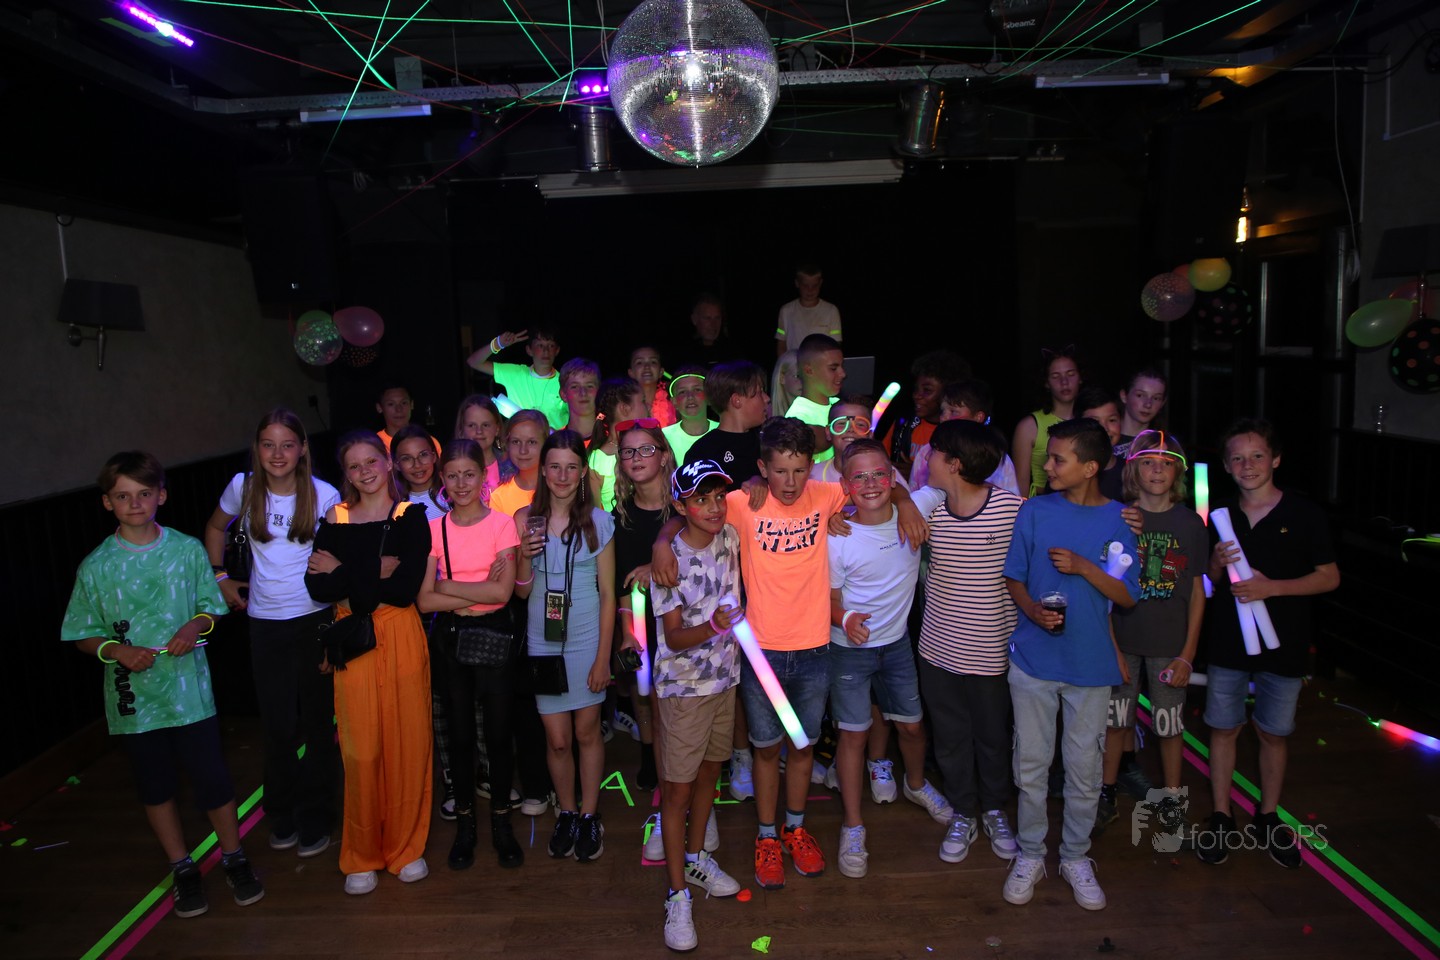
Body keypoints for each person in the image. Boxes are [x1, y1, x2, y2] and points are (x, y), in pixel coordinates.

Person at [654, 417, 925, 891]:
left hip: (815, 648)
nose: (791, 482)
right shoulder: (744, 502)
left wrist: (904, 502)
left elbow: (879, 485)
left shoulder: (826, 495)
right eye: (779, 471)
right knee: (765, 749)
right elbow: (692, 510)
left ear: (812, 467)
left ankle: (794, 829)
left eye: (800, 470)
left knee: (802, 747)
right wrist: (661, 542)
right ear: (762, 468)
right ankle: (765, 836)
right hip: (762, 653)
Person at [63, 451, 263, 920]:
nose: (134, 504)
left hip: (189, 693)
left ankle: (234, 856)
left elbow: (211, 609)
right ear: (107, 502)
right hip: (135, 703)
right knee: (156, 786)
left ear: (161, 496)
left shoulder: (187, 550)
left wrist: (194, 626)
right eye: (122, 496)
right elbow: (81, 633)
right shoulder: (96, 566)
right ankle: (182, 867)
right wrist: (116, 651)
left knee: (212, 778)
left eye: (144, 494)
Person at [1000, 418, 1139, 912]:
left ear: (1091, 468)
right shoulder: (1035, 510)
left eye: (1059, 459)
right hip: (1034, 661)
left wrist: (1084, 567)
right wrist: (1032, 610)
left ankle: (1076, 856)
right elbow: (1014, 577)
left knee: (1084, 769)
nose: (1048, 466)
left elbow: (1127, 595)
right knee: (1031, 764)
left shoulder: (1121, 519)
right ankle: (1031, 853)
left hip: (1090, 665)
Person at [1195, 418, 1339, 869]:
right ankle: (1222, 815)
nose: (1248, 465)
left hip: (1285, 643)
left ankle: (1268, 815)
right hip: (1227, 642)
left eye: (1257, 455)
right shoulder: (1221, 514)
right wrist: (1215, 563)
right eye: (1237, 458)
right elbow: (1208, 584)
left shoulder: (1304, 514)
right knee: (1223, 727)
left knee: (1273, 732)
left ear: (1275, 460)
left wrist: (1271, 588)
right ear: (1225, 466)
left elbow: (1329, 577)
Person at [203, 408, 341, 861]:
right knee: (278, 726)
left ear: (302, 449)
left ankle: (316, 814)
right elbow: (215, 527)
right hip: (265, 623)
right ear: (257, 449)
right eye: (268, 444)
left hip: (314, 619)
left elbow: (342, 557)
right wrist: (220, 576)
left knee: (318, 724)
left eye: (287, 444)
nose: (277, 454)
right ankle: (281, 812)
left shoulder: (323, 494)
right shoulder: (243, 487)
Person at [304, 432, 433, 896]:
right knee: (361, 750)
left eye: (372, 461)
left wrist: (344, 573)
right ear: (346, 474)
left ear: (387, 463)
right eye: (354, 466)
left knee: (407, 742)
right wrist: (374, 569)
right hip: (353, 640)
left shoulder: (410, 516)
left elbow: (403, 590)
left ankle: (405, 848)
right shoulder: (334, 518)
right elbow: (317, 587)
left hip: (400, 634)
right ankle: (361, 854)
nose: (365, 472)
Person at [826, 440, 953, 880]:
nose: (870, 483)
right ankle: (852, 825)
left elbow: (951, 484)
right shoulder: (838, 536)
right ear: (845, 486)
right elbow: (829, 599)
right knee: (853, 736)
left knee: (912, 726)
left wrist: (908, 502)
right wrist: (845, 618)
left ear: (893, 477)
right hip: (848, 649)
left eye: (879, 474)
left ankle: (915, 784)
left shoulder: (914, 509)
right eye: (858, 477)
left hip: (897, 645)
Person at [644, 460, 745, 952]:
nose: (714, 506)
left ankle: (695, 859)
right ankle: (676, 893)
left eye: (718, 496)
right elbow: (674, 637)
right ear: (681, 505)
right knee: (677, 792)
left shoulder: (730, 537)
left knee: (710, 774)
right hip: (684, 692)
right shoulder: (670, 563)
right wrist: (715, 626)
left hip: (725, 681)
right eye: (701, 499)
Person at [912, 420, 1023, 865]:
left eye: (934, 452)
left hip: (993, 653)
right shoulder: (929, 510)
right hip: (937, 652)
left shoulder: (1012, 509)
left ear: (954, 464)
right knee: (951, 738)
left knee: (993, 737)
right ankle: (963, 812)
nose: (926, 458)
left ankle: (994, 809)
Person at [417, 439, 524, 870]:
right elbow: (424, 600)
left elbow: (502, 594)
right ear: (442, 479)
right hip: (451, 641)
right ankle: (465, 826)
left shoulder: (502, 525)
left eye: (469, 474)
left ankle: (501, 823)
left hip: (495, 637)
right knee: (460, 738)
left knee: (498, 736)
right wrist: (475, 590)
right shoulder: (434, 529)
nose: (461, 483)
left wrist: (448, 586)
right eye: (452, 475)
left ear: (483, 476)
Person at [514, 430, 617, 863]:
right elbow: (521, 592)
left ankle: (589, 815)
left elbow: (609, 595)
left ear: (582, 472)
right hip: (543, 641)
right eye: (554, 466)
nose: (562, 475)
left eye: (571, 467)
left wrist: (602, 658)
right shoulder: (525, 519)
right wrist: (524, 554)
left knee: (586, 732)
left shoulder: (599, 521)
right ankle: (567, 811)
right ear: (542, 470)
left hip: (587, 640)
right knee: (557, 740)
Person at [1098, 430, 1204, 834]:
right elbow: (1104, 590)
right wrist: (1110, 647)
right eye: (1147, 462)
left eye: (1165, 463)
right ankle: (1106, 793)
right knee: (1115, 722)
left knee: (1169, 725)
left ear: (1177, 472)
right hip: (1123, 640)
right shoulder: (1118, 518)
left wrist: (1187, 655)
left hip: (1169, 646)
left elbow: (1197, 592)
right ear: (1132, 470)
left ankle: (1173, 802)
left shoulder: (1190, 524)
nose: (1156, 470)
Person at [609, 419, 676, 794]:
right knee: (644, 693)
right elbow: (621, 579)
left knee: (679, 700)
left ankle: (682, 760)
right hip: (641, 618)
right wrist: (627, 632)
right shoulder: (619, 517)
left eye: (646, 449)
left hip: (684, 618)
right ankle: (650, 755)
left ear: (664, 456)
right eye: (628, 452)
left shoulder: (685, 506)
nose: (636, 457)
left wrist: (656, 566)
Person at [909, 379, 1020, 496]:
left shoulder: (995, 456)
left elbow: (1010, 499)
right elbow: (912, 496)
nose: (944, 418)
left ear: (978, 417)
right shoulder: (927, 452)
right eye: (942, 411)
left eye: (953, 412)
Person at [883, 350, 970, 483]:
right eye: (916, 389)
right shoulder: (903, 423)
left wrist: (918, 474)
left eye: (927, 390)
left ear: (948, 393)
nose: (916, 395)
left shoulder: (960, 433)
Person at [683, 360, 770, 486]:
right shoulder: (702, 453)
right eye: (759, 392)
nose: (767, 398)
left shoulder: (768, 442)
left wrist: (763, 482)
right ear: (736, 400)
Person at [466, 326, 569, 430]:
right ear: (529, 350)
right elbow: (473, 362)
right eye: (540, 345)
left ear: (557, 350)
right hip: (518, 439)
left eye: (551, 345)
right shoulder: (515, 373)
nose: (546, 351)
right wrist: (498, 344)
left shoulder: (566, 382)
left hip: (554, 439)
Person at [1012, 347, 1081, 498]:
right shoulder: (1029, 426)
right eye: (1055, 376)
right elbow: (1019, 486)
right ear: (1046, 383)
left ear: (1080, 378)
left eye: (1070, 374)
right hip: (1042, 504)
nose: (1064, 382)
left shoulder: (1090, 421)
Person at [587, 377, 647, 512]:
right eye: (642, 401)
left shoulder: (649, 446)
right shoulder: (596, 460)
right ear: (624, 408)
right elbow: (594, 513)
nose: (648, 406)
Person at [784, 334, 846, 463]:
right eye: (833, 368)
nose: (843, 374)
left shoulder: (839, 404)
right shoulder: (798, 416)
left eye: (842, 366)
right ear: (809, 370)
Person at [488, 409, 548, 519]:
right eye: (516, 442)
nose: (523, 450)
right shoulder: (499, 498)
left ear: (546, 444)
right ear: (507, 445)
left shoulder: (558, 487)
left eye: (531, 442)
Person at [776, 262, 841, 356]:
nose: (810, 290)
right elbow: (781, 343)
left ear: (820, 283)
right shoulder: (786, 310)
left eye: (814, 285)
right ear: (797, 283)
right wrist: (784, 365)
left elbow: (836, 344)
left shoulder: (831, 311)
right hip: (794, 364)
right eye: (805, 285)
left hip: (821, 363)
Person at [453, 394, 509, 504]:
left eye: (486, 425)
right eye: (472, 425)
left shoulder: (511, 465)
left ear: (497, 429)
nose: (479, 431)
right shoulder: (451, 468)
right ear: (461, 430)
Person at [1074, 385, 1126, 503]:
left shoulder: (1130, 473)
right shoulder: (1067, 471)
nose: (1104, 428)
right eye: (1095, 421)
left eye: (1112, 420)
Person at [662, 367, 718, 466]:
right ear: (674, 402)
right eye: (682, 392)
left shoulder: (724, 430)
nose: (690, 396)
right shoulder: (663, 437)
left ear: (709, 397)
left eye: (697, 390)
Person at [392, 424, 448, 522]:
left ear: (434, 456)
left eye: (423, 454)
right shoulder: (394, 505)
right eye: (407, 458)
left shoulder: (452, 493)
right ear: (396, 464)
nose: (417, 465)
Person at [671, 292, 737, 370]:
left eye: (717, 318)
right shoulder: (681, 353)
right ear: (694, 319)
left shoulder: (732, 351)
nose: (713, 324)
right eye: (707, 318)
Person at [1115, 368, 1168, 458]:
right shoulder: (1106, 437)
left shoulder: (1164, 445)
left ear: (1162, 403)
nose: (1148, 404)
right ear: (1124, 396)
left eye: (1156, 398)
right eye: (1140, 395)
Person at [375, 385, 441, 456]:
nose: (399, 409)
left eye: (404, 403)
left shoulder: (428, 441)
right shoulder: (375, 444)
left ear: (411, 404)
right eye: (391, 404)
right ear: (379, 408)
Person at [629, 344, 677, 426]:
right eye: (639, 363)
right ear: (631, 373)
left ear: (661, 372)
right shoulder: (623, 406)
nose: (647, 366)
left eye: (653, 362)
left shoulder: (675, 405)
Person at [560, 358, 602, 439]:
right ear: (563, 394)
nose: (583, 393)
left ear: (599, 391)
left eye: (589, 386)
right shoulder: (556, 441)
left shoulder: (614, 437)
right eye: (574, 387)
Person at [771, 350, 802, 420]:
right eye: (797, 376)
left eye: (805, 376)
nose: (803, 381)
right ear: (782, 378)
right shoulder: (767, 414)